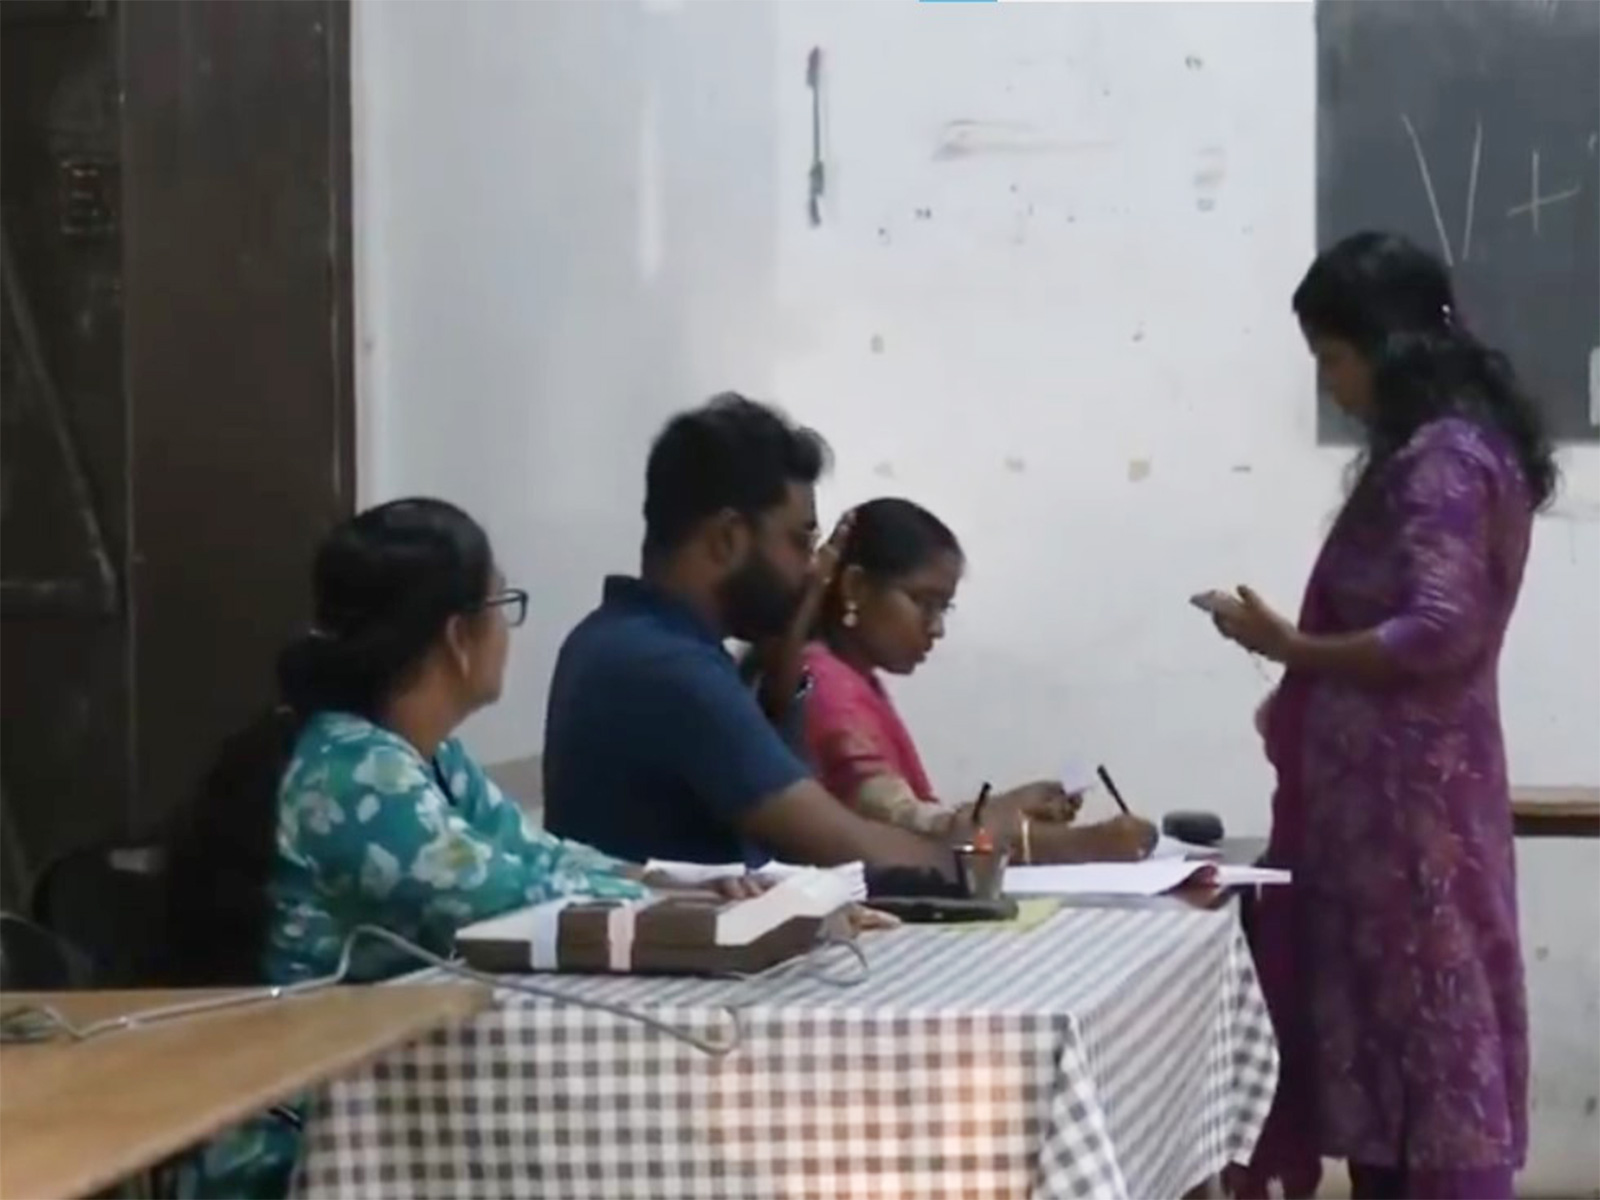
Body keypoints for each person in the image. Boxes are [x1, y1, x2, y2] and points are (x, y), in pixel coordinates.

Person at [159, 498, 755, 1198]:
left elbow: (537, 856)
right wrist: (678, 904)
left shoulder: (428, 759)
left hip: (372, 1111)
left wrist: (674, 882)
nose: (509, 629)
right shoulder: (354, 776)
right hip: (290, 1149)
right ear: (457, 636)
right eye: (502, 604)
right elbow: (504, 899)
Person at [1211, 232, 1552, 1200]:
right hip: (1397, 817)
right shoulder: (1451, 450)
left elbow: (1437, 632)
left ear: (1387, 348)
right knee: (1395, 1055)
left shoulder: (1441, 460)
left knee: (1429, 1055)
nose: (1327, 384)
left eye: (1331, 358)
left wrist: (1293, 650)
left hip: (1409, 827)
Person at [543, 394, 955, 871]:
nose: (811, 572)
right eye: (800, 542)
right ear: (728, 539)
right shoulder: (667, 666)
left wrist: (786, 660)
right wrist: (985, 852)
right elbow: (840, 846)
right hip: (673, 944)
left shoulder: (626, 637)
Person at [747, 496, 1155, 862]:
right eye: (924, 603)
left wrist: (1007, 807)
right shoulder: (825, 684)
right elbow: (910, 830)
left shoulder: (851, 677)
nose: (937, 628)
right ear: (855, 587)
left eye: (944, 608)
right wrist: (1088, 845)